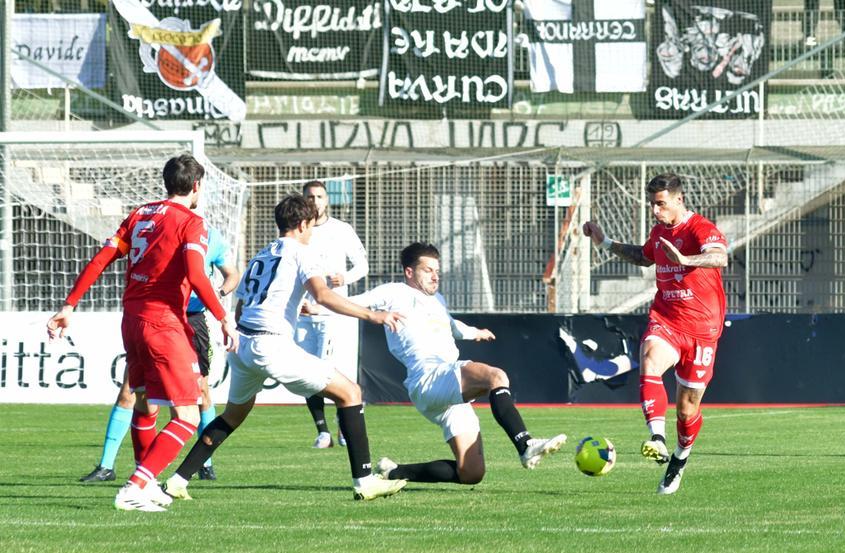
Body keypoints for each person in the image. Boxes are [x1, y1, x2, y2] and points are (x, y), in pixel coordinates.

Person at [161, 194, 408, 502]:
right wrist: (374, 315)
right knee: (351, 393)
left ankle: (177, 480)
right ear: (303, 224)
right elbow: (323, 295)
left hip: (243, 345)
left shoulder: (262, 254)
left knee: (233, 415)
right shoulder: (301, 252)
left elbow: (242, 307)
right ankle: (365, 480)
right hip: (270, 344)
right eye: (311, 226)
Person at [47, 154, 237, 512]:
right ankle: (134, 487)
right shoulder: (191, 222)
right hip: (163, 323)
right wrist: (223, 316)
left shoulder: (140, 214)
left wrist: (69, 305)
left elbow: (102, 258)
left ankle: (144, 482)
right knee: (188, 415)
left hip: (131, 321)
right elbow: (197, 275)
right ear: (196, 187)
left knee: (146, 405)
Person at [346, 242, 567, 487]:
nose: (435, 276)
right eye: (427, 270)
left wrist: (475, 332)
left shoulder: (437, 299)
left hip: (444, 390)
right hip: (430, 376)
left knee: (471, 473)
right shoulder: (394, 292)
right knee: (496, 377)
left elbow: (452, 326)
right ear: (409, 272)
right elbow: (354, 301)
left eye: (437, 270)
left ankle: (393, 472)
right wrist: (317, 306)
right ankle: (526, 445)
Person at [582, 173, 728, 495]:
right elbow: (644, 256)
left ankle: (680, 457)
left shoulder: (699, 229)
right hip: (667, 319)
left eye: (660, 204)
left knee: (687, 410)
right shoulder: (659, 232)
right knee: (649, 359)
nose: (655, 210)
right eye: (652, 204)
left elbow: (720, 257)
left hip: (703, 329)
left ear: (679, 199)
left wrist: (686, 259)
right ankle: (657, 438)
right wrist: (604, 242)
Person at [79, 225, 240, 483]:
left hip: (193, 319)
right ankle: (108, 466)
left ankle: (205, 463)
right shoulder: (160, 233)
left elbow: (232, 274)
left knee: (201, 393)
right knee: (130, 391)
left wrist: (216, 295)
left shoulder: (211, 237)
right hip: (159, 318)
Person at [296, 180, 368, 449]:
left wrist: (344, 277)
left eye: (319, 196)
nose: (315, 201)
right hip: (304, 313)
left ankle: (342, 427)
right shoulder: (299, 230)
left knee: (331, 371)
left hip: (332, 313)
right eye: (310, 197)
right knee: (306, 373)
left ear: (327, 200)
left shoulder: (342, 229)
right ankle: (322, 431)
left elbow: (363, 265)